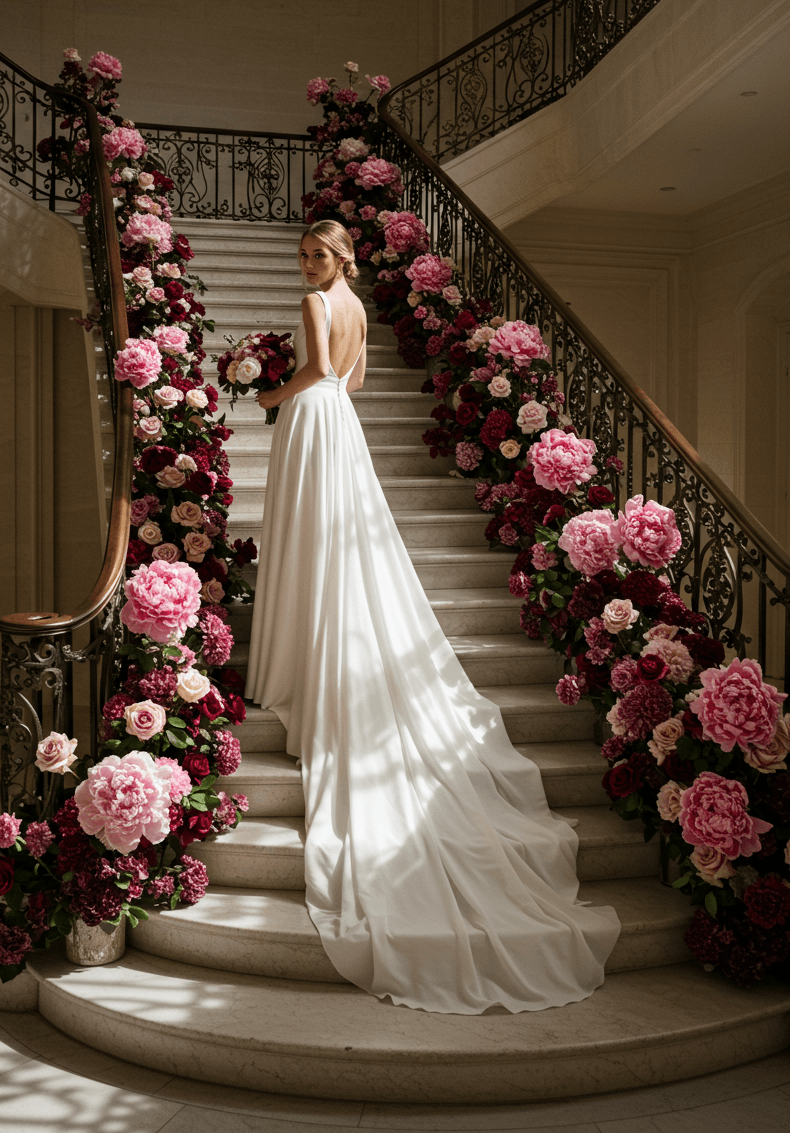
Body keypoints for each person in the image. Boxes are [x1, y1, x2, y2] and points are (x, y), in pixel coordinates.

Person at [244, 219, 620, 1015]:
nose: (309, 265)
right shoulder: (359, 310)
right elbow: (355, 384)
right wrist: (312, 400)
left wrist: (267, 394)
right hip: (338, 428)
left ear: (339, 258)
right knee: (338, 544)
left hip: (312, 422)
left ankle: (298, 662)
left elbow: (315, 371)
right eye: (305, 255)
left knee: (315, 541)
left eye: (318, 255)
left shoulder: (316, 305)